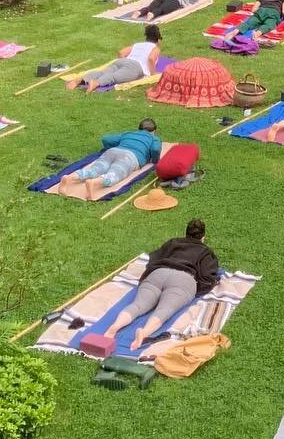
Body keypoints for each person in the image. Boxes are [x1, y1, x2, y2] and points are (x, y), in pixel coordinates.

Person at [104, 219, 219, 352]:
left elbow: (153, 260)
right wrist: (195, 289)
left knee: (138, 305)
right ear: (203, 237)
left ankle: (114, 327)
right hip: (183, 280)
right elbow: (207, 277)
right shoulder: (206, 252)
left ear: (186, 233)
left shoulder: (172, 243)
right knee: (165, 310)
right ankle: (144, 332)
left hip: (158, 274)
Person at [62, 118, 162, 193]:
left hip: (113, 151)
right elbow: (155, 149)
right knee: (115, 174)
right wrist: (154, 160)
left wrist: (113, 146)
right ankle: (94, 183)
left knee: (95, 169)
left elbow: (106, 139)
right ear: (153, 132)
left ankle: (70, 178)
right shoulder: (154, 138)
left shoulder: (128, 133)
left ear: (139, 129)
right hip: (130, 157)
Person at [75, 26, 162, 90]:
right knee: (114, 77)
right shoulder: (155, 48)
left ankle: (82, 79)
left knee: (102, 72)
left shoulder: (138, 44)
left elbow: (121, 53)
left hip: (122, 61)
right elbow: (151, 59)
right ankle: (96, 83)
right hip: (135, 67)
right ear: (158, 40)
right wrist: (153, 74)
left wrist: (123, 62)